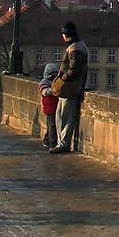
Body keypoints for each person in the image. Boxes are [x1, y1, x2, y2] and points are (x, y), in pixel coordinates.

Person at [49, 21, 88, 154]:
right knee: (60, 115)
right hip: (67, 87)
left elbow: (74, 69)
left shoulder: (76, 48)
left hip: (70, 87)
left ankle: (64, 144)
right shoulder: (75, 45)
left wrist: (62, 79)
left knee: (66, 117)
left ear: (65, 35)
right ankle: (61, 143)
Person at [38, 62, 60, 150]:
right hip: (50, 107)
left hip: (56, 106)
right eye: (53, 73)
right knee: (52, 126)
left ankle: (46, 141)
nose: (55, 75)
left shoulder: (57, 81)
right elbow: (45, 92)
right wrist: (55, 90)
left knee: (52, 126)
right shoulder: (44, 82)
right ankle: (52, 144)